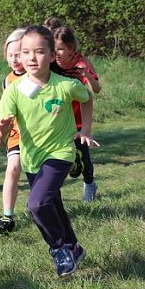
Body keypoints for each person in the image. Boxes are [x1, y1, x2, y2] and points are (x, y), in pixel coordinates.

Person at [0, 26, 98, 277]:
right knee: (53, 204)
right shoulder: (14, 89)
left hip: (61, 152)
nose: (31, 58)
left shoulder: (66, 85)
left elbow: (87, 98)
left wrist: (85, 130)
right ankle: (73, 247)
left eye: (39, 52)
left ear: (52, 55)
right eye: (25, 52)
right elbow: (1, 131)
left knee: (37, 204)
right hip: (32, 157)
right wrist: (1, 132)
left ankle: (59, 249)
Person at [53, 25, 102, 202]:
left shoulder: (81, 63)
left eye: (60, 49)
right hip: (58, 118)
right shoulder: (52, 65)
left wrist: (86, 76)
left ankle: (89, 184)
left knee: (83, 158)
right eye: (54, 48)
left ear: (71, 49)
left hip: (79, 119)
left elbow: (96, 90)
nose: (56, 53)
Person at [0, 28, 27, 233]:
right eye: (10, 55)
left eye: (19, 54)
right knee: (12, 170)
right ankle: (7, 217)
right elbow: (6, 111)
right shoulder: (7, 81)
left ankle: (46, 208)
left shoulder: (38, 76)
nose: (14, 59)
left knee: (38, 174)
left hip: (39, 135)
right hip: (16, 134)